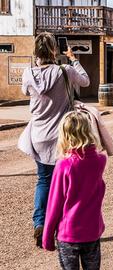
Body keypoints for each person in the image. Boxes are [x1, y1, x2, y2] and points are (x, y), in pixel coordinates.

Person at [18, 32, 90, 248]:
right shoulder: (65, 71)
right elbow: (85, 81)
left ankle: (39, 224)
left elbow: (24, 91)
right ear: (54, 50)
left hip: (39, 136)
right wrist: (74, 59)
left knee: (43, 180)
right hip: (63, 137)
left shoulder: (28, 73)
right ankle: (62, 227)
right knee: (66, 183)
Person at [42, 111, 107, 270]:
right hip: (92, 232)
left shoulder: (64, 166)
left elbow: (54, 204)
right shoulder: (99, 161)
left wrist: (47, 236)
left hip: (68, 235)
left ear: (65, 135)